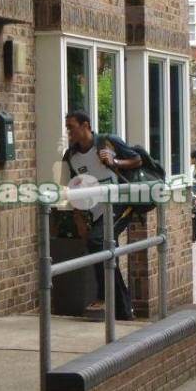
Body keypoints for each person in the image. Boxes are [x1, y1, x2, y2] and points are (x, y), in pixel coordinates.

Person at [62, 110, 141, 320]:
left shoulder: (108, 142)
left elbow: (137, 160)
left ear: (85, 125)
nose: (68, 130)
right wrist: (79, 220)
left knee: (99, 241)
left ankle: (103, 295)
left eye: (71, 126)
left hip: (120, 204)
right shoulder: (71, 156)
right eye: (67, 127)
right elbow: (74, 188)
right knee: (102, 249)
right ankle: (123, 312)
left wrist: (115, 162)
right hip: (96, 211)